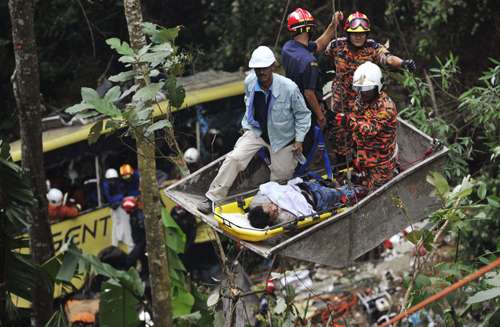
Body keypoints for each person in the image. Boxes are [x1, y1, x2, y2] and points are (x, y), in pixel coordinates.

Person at [197, 46, 311, 214]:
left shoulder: (289, 88)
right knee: (235, 158)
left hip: (283, 138)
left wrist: (299, 139)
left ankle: (267, 210)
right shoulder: (250, 81)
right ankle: (213, 198)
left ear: (273, 66)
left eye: (265, 68)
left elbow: (303, 115)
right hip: (258, 131)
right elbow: (248, 102)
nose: (261, 72)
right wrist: (247, 126)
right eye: (258, 69)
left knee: (280, 178)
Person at [325, 11, 414, 157]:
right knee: (340, 137)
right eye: (355, 33)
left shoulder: (372, 47)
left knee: (363, 135)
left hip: (363, 101)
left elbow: (388, 58)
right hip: (341, 100)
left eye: (362, 33)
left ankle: (361, 163)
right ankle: (342, 166)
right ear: (348, 33)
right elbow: (324, 59)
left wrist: (403, 63)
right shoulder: (336, 45)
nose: (359, 36)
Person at [336, 62, 398, 189]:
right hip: (363, 156)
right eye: (360, 89)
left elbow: (370, 130)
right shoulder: (361, 99)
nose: (363, 93)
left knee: (378, 196)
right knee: (359, 188)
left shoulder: (386, 107)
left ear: (378, 87)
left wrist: (349, 122)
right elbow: (356, 117)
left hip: (381, 163)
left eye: (367, 90)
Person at [282, 8, 343, 129]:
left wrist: (333, 24)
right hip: (308, 113)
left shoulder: (288, 48)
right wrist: (321, 117)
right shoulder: (309, 62)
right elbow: (309, 93)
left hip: (292, 109)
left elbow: (319, 44)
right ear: (308, 29)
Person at [247, 178, 366, 229]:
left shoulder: (258, 203)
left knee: (324, 185)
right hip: (317, 198)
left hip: (303, 187)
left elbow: (265, 192)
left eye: (268, 205)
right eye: (271, 210)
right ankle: (357, 189)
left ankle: (338, 184)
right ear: (270, 220)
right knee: (337, 193)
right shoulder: (284, 219)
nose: (273, 206)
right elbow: (296, 212)